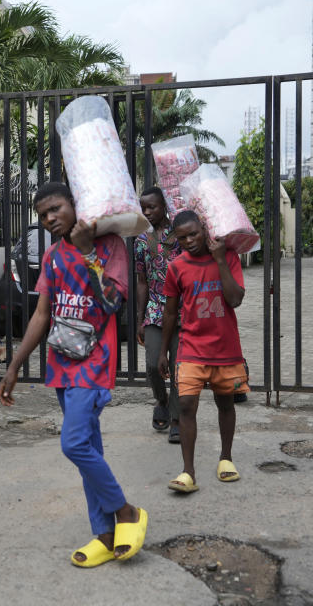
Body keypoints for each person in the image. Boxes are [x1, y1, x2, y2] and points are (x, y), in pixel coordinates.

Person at [0, 182, 147, 568]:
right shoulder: (51, 256)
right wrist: (14, 365)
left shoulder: (110, 245)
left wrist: (86, 252)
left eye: (55, 209)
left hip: (94, 363)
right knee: (89, 453)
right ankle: (104, 533)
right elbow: (42, 314)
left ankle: (126, 511)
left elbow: (112, 303)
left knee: (74, 444)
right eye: (42, 214)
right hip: (61, 363)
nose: (49, 218)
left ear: (75, 205)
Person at [158, 210, 248, 494]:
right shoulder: (176, 267)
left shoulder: (229, 258)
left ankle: (226, 458)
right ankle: (188, 471)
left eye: (194, 234)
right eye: (182, 237)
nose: (189, 241)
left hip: (225, 349)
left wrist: (220, 258)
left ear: (205, 229)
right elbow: (170, 313)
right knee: (185, 405)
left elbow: (234, 299)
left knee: (225, 404)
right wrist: (163, 351)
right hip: (191, 348)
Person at [133, 186, 182, 442]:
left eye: (152, 206)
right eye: (144, 208)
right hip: (154, 310)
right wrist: (140, 319)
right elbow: (141, 281)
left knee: (177, 366)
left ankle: (176, 418)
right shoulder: (142, 240)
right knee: (153, 364)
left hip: (182, 312)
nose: (148, 212)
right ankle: (161, 400)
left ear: (164, 206)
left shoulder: (181, 234)